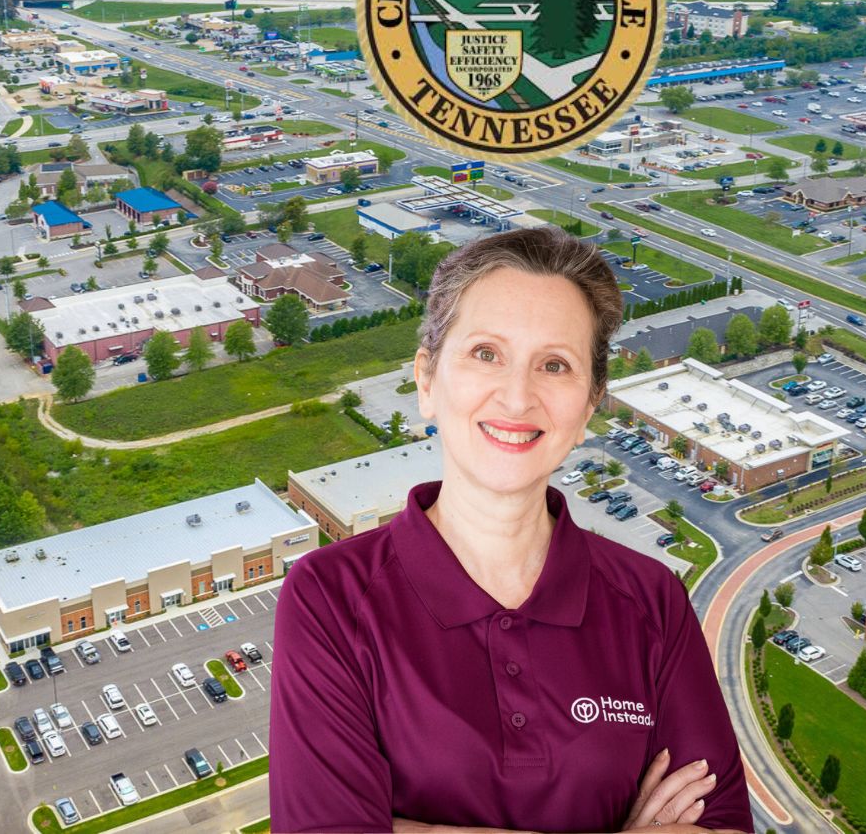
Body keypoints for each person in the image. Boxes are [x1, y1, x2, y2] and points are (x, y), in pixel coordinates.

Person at [270, 227, 751, 833]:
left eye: (555, 365)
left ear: (589, 407)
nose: (518, 397)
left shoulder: (651, 601)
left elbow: (723, 823)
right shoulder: (331, 597)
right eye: (486, 353)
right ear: (426, 380)